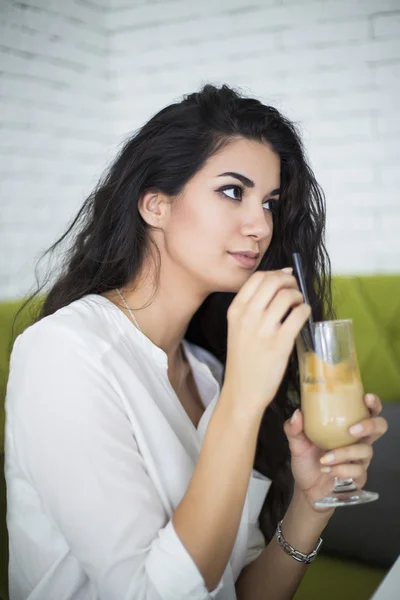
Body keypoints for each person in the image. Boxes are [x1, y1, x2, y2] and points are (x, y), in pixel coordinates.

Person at [4, 84, 387, 600]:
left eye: (269, 202)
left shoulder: (208, 371)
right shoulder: (63, 354)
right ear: (156, 205)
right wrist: (243, 401)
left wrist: (311, 504)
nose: (261, 225)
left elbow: (236, 591)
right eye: (234, 191)